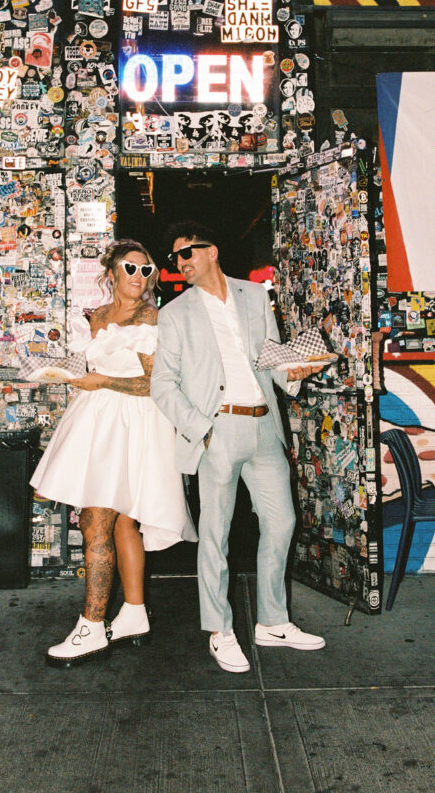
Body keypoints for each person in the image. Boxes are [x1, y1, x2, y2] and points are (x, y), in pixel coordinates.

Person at [151, 221, 326, 674]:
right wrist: (201, 429)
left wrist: (296, 373)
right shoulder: (175, 313)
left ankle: (272, 621)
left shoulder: (254, 296)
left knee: (282, 522)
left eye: (186, 254)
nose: (180, 263)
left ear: (211, 251)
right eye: (175, 258)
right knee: (216, 534)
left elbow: (271, 359)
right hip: (218, 430)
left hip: (264, 425)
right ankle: (219, 630)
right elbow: (163, 386)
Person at [30, 238, 196, 667]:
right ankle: (135, 614)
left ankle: (91, 625)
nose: (139, 278)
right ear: (111, 273)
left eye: (147, 270)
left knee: (97, 521)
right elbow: (89, 371)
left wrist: (102, 381)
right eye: (130, 268)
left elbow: (154, 384)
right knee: (122, 521)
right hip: (97, 421)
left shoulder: (152, 319)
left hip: (135, 422)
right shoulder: (96, 317)